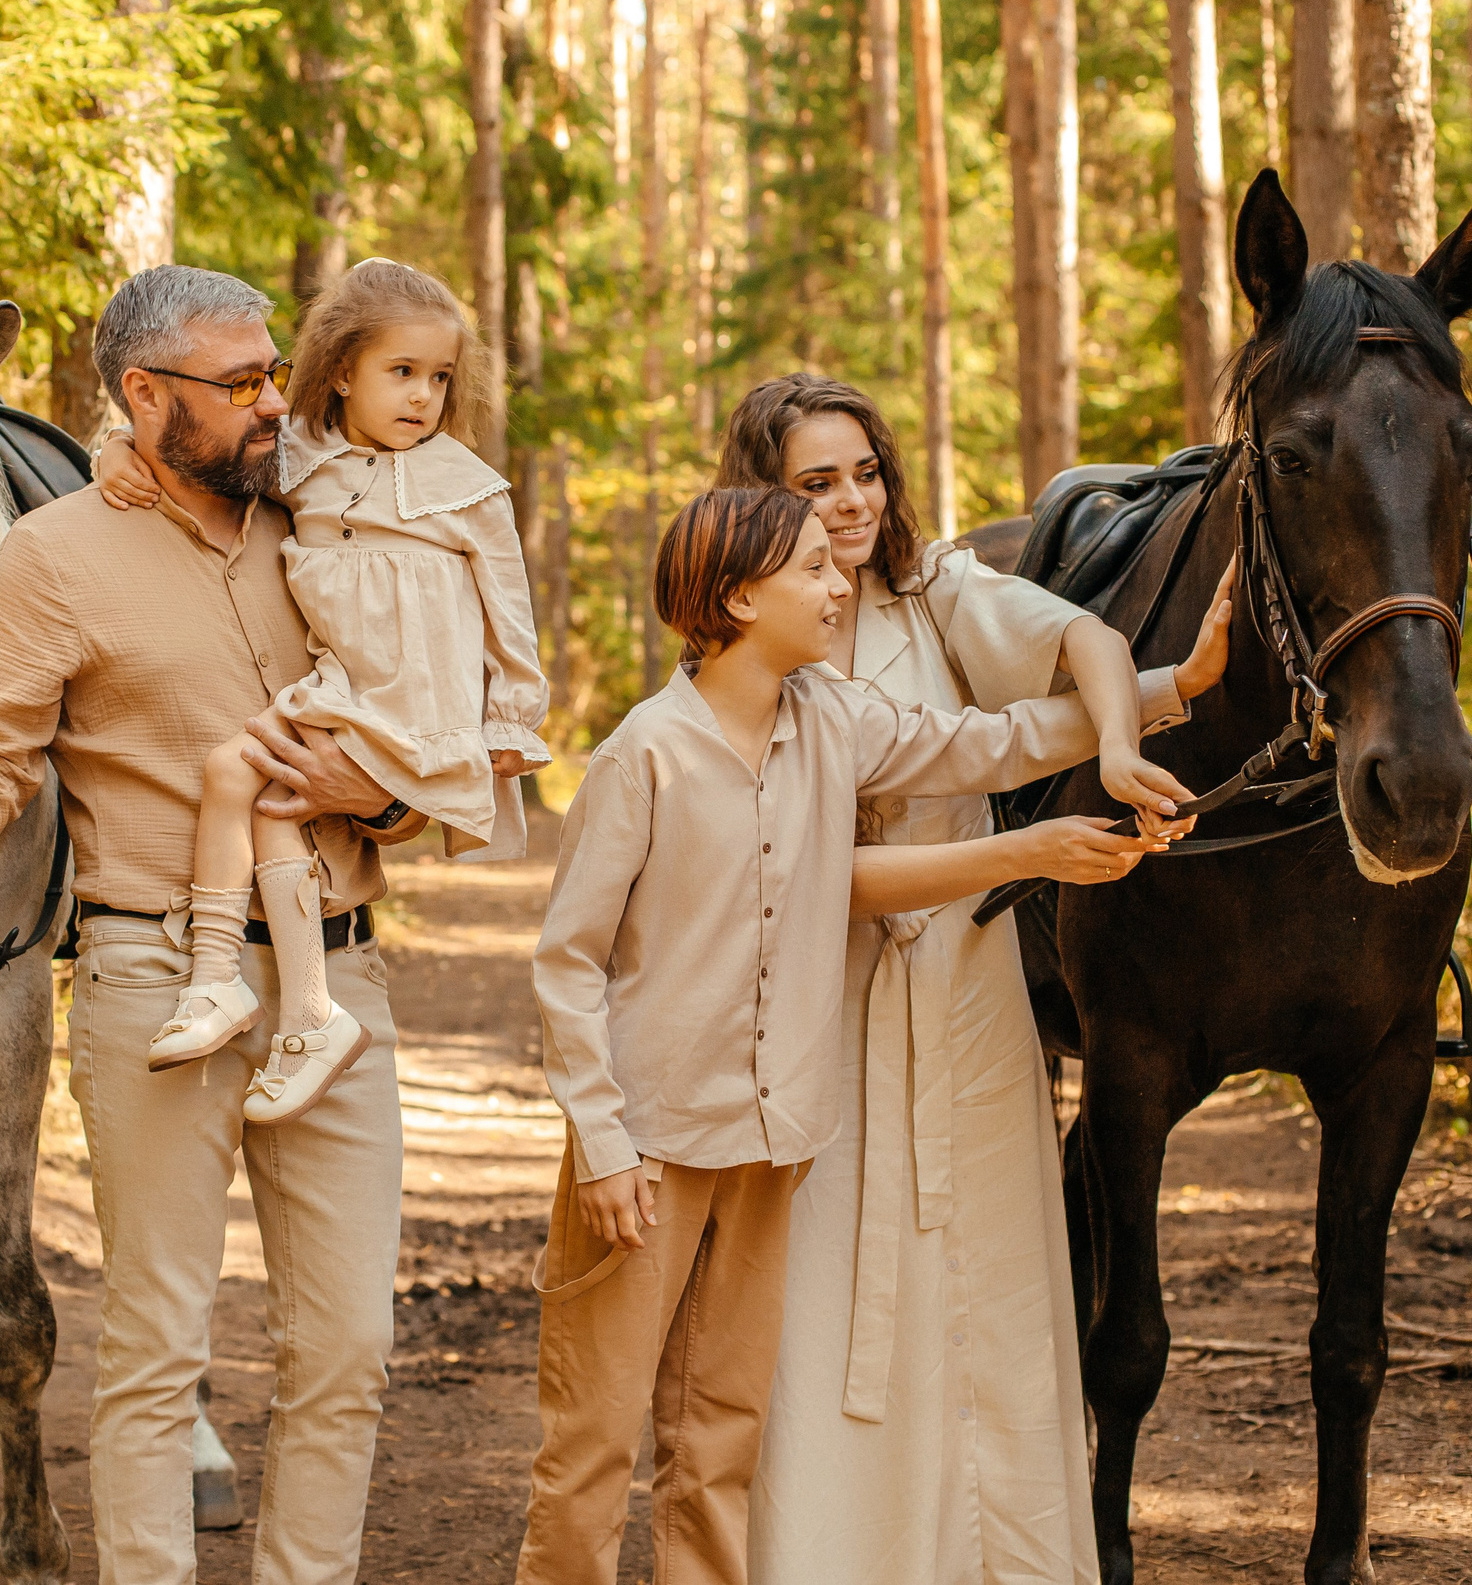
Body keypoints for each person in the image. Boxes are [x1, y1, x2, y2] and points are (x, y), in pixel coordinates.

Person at [514, 486, 1199, 1585]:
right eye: (812, 572)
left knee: (720, 1436)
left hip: (773, 1144)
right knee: (593, 1445)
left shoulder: (834, 719)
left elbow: (995, 740)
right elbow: (567, 963)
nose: (842, 584)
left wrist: (1164, 695)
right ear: (737, 597)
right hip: (643, 1151)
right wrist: (598, 1142)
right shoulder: (643, 755)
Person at [0, 265, 422, 1585]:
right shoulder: (57, 554)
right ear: (144, 397)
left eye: (272, 377)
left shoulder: (334, 517)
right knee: (156, 1343)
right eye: (239, 384)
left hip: (342, 981)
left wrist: (385, 793)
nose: (271, 405)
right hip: (149, 979)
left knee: (348, 1342)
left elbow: (432, 717)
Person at [717, 374, 1232, 1585]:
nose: (849, 502)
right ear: (761, 499)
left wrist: (1124, 733)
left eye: (863, 473)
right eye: (813, 483)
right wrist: (1028, 850)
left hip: (969, 988)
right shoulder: (751, 638)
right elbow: (813, 873)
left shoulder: (929, 591)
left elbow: (1079, 644)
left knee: (996, 1279)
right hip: (821, 1002)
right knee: (836, 1287)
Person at [86, 257, 548, 1128]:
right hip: (342, 692)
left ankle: (302, 1011)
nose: (423, 397)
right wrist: (111, 448)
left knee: (270, 802)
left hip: (413, 703)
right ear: (340, 373)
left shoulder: (467, 485)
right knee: (231, 773)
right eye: (401, 373)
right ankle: (220, 982)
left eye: (440, 379)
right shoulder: (301, 460)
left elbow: (507, 609)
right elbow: (199, 460)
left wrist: (513, 717)